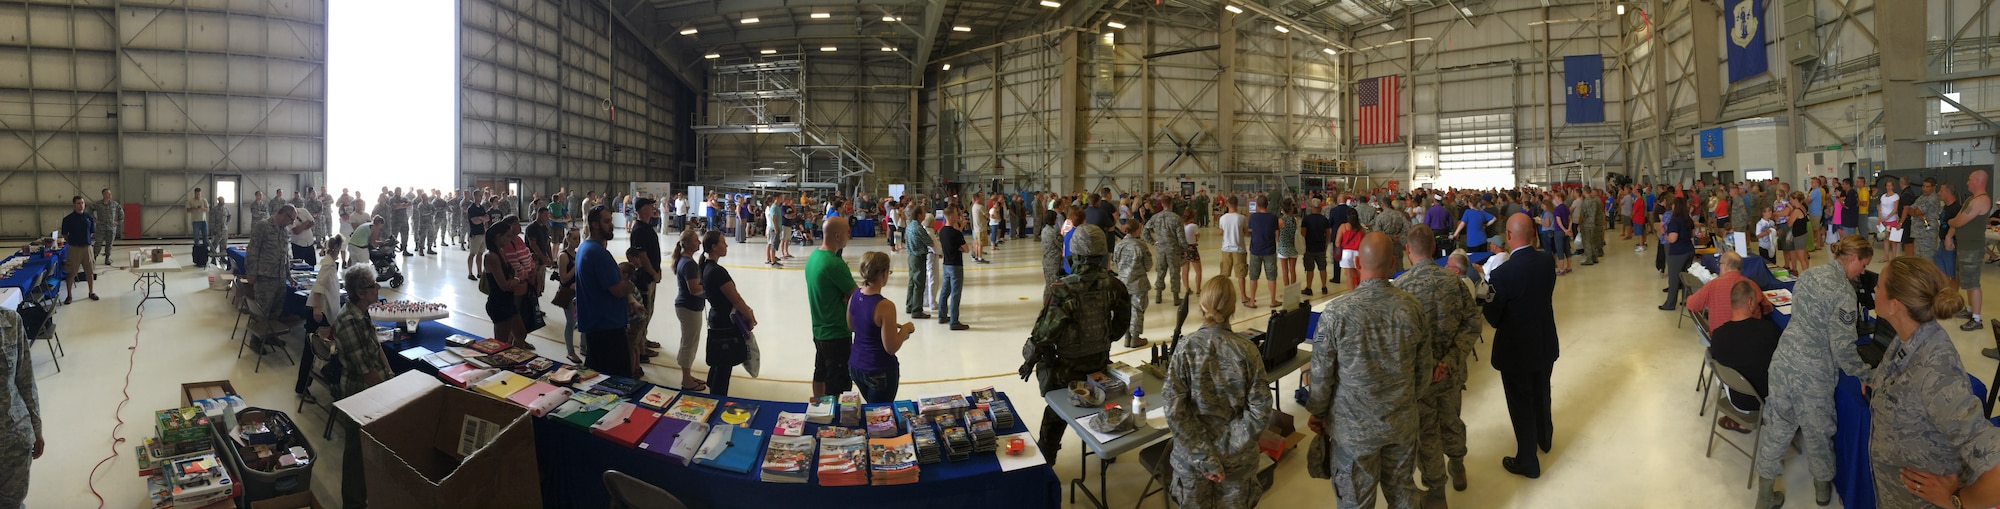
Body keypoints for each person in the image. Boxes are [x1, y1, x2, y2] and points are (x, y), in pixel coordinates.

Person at [1305, 232, 1430, 508]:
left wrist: (1318, 412)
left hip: (1353, 433)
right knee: (1403, 495)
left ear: (1358, 261)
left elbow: (1321, 375)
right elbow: (1423, 373)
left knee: (1355, 502)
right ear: (1394, 262)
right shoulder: (1412, 309)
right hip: (1400, 424)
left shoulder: (1337, 313)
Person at [1754, 235, 1876, 507]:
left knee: (1777, 428)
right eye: (1863, 265)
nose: (1863, 271)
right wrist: (1865, 374)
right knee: (1819, 433)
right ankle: (1822, 492)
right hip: (1813, 375)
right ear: (1853, 258)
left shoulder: (1809, 275)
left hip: (1783, 363)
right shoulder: (1844, 293)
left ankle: (1764, 497)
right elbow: (1843, 348)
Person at [1869, 256, 2000, 509]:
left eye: (1879, 286)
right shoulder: (1907, 336)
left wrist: (1959, 501)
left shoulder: (1936, 372)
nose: (1874, 289)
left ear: (1895, 305)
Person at [1162, 275, 1273, 509]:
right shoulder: (1248, 351)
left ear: (1202, 306)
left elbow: (1175, 410)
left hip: (1193, 464)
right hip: (1237, 463)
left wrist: (1205, 455)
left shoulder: (1185, 349)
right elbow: (1260, 410)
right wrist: (1227, 449)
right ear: (1234, 308)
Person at [1020, 223, 1128, 459]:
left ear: (1075, 254)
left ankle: (1047, 458)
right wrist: (1104, 337)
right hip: (1099, 365)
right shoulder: (1115, 286)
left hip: (1065, 371)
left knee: (1055, 414)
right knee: (1103, 405)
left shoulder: (1061, 289)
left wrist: (1030, 357)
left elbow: (1044, 335)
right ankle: (1109, 449)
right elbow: (1121, 325)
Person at [1393, 226, 1481, 499]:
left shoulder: (1400, 288)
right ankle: (1458, 466)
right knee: (1452, 421)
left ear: (1409, 251)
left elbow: (1397, 341)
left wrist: (1428, 366)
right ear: (1433, 249)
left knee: (1427, 434)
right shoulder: (1455, 282)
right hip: (1451, 375)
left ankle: (1436, 491)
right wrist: (1449, 361)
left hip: (1419, 382)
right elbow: (1473, 324)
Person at [1485, 213, 1560, 478]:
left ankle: (1527, 461)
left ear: (1508, 235)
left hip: (1516, 350)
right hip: (1543, 341)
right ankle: (1545, 438)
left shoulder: (1501, 274)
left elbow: (1493, 316)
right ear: (1532, 234)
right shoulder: (1546, 261)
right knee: (1542, 393)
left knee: (1521, 404)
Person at [1709, 280, 1780, 433]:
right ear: (1750, 302)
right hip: (1767, 398)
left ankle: (1738, 421)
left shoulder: (1718, 335)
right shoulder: (1768, 330)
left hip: (1736, 399)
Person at [848, 252, 914, 403]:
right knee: (881, 416)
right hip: (878, 369)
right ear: (884, 274)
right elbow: (890, 348)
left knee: (871, 409)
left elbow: (851, 325)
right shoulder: (885, 306)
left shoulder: (855, 294)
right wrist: (905, 329)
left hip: (856, 365)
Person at [699, 231, 758, 396]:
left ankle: (713, 388)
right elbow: (735, 299)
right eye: (723, 243)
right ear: (714, 247)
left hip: (717, 317)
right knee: (724, 365)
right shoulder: (717, 272)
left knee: (718, 361)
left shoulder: (707, 267)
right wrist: (749, 315)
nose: (726, 246)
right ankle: (718, 398)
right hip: (725, 321)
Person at [807, 219, 858, 398]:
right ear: (837, 236)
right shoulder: (835, 264)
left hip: (819, 329)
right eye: (847, 232)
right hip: (836, 333)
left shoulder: (814, 257)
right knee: (838, 384)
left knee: (820, 371)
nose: (849, 236)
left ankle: (819, 407)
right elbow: (857, 296)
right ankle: (834, 417)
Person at [296, 234, 344, 406]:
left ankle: (305, 385)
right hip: (319, 312)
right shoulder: (328, 265)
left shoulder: (329, 263)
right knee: (311, 350)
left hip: (322, 310)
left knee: (313, 349)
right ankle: (302, 387)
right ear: (337, 248)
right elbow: (319, 287)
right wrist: (317, 308)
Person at [1685, 252, 1773, 333]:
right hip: (1749, 337)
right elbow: (1767, 309)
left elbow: (1691, 305)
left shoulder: (1712, 285)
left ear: (1724, 266)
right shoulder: (1751, 284)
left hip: (1719, 340)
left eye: (1719, 264)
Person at [1948, 170, 1991, 331]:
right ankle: (1970, 310)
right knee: (1965, 281)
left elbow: (1958, 221)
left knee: (1973, 284)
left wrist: (1950, 221)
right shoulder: (1970, 200)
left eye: (1969, 180)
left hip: (1973, 249)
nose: (1967, 182)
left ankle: (1977, 319)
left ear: (1978, 181)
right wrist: (1949, 236)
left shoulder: (1981, 201)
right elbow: (1958, 219)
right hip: (1964, 247)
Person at [482, 217, 531, 350]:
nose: (510, 239)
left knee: (520, 333)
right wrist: (517, 280)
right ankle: (498, 366)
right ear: (498, 237)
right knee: (501, 342)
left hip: (508, 301)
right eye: (507, 236)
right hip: (499, 303)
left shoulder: (501, 252)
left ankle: (514, 358)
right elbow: (504, 285)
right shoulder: (492, 256)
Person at [628, 198, 664, 358]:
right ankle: (640, 347)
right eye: (650, 205)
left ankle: (643, 339)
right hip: (644, 277)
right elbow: (641, 256)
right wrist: (653, 273)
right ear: (642, 209)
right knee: (644, 311)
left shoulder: (646, 227)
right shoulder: (639, 229)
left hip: (651, 275)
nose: (652, 207)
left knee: (649, 310)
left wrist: (658, 270)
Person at [1112, 219, 1153, 348]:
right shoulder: (1140, 245)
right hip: (1138, 283)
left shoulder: (1119, 245)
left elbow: (1114, 263)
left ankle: (1126, 336)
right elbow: (1148, 265)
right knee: (1137, 310)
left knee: (1126, 309)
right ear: (1136, 230)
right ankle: (1135, 338)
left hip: (1122, 282)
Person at [56, 196, 98, 304]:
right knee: (71, 272)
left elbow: (92, 232)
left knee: (90, 271)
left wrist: (85, 240)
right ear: (74, 205)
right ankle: (69, 295)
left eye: (83, 203)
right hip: (74, 249)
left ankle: (91, 292)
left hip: (87, 248)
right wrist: (74, 241)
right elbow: (65, 235)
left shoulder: (89, 217)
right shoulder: (68, 219)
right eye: (79, 203)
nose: (81, 205)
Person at [1657, 198, 1696, 311]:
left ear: (1676, 206)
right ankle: (1687, 300)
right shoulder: (1688, 219)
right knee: (1685, 277)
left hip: (1678, 252)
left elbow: (1673, 239)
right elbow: (1693, 234)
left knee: (1674, 279)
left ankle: (1670, 304)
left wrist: (1665, 234)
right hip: (1689, 250)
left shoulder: (1675, 220)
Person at [1145, 199, 1187, 304]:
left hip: (1160, 250)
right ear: (1171, 204)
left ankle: (1158, 296)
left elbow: (1144, 231)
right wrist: (1185, 249)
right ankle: (1176, 298)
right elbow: (1181, 238)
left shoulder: (1155, 217)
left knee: (1160, 272)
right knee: (1174, 273)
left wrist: (1153, 242)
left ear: (1162, 204)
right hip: (1173, 250)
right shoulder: (1176, 218)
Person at [937, 206, 970, 330]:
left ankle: (942, 315)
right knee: (956, 293)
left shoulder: (942, 231)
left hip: (946, 264)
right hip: (956, 265)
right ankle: (954, 321)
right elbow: (966, 249)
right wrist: (959, 247)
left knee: (945, 291)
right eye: (956, 214)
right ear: (951, 216)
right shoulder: (956, 233)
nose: (958, 216)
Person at [1245, 197, 1281, 308]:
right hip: (1269, 250)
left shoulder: (1253, 217)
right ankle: (1272, 300)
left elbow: (1249, 230)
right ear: (1267, 205)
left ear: (1257, 205)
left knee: (1253, 276)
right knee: (1271, 276)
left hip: (1255, 250)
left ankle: (1252, 301)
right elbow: (1277, 233)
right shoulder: (1273, 218)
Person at [1218, 197, 1249, 300]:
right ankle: (1243, 296)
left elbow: (1221, 232)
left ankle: (1224, 295)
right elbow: (1245, 231)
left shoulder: (1222, 218)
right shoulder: (1242, 218)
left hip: (1226, 249)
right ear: (1237, 205)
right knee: (1241, 274)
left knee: (1225, 274)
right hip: (1239, 249)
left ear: (1227, 204)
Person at [1301, 200, 1332, 296]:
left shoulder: (1306, 219)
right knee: (1322, 268)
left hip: (1309, 248)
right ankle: (1324, 287)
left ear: (1311, 207)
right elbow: (1328, 234)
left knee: (1309, 269)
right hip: (1321, 247)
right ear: (1320, 208)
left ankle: (1309, 288)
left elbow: (1303, 234)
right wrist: (1325, 243)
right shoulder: (1324, 220)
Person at [91, 189, 122, 266]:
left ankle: (107, 258)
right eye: (108, 193)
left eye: (110, 193)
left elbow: (121, 211)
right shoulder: (98, 204)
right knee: (98, 243)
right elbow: (88, 210)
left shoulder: (114, 204)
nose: (110, 195)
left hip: (111, 228)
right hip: (101, 227)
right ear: (104, 194)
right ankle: (94, 258)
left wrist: (118, 221)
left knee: (109, 244)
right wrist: (94, 220)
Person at [1337, 213, 1365, 293]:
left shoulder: (1343, 226)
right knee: (1359, 273)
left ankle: (1351, 293)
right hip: (1358, 253)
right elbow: (1364, 241)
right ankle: (1360, 291)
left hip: (1346, 252)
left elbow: (1337, 242)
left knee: (1349, 275)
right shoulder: (1361, 229)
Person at [466, 191, 490, 282]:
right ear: (475, 196)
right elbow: (474, 221)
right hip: (475, 234)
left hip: (482, 233)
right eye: (480, 195)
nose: (481, 197)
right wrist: (481, 218)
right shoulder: (471, 208)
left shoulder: (482, 207)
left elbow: (487, 218)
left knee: (480, 253)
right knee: (472, 254)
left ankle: (479, 272)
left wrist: (480, 218)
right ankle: (470, 273)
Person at [1182, 209, 1204, 296]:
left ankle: (1187, 288)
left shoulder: (1182, 225)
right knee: (1198, 271)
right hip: (1192, 248)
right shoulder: (1193, 226)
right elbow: (1197, 236)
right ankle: (1198, 289)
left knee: (1185, 270)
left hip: (1183, 249)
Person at [1040, 210, 1064, 284]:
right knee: (1055, 283)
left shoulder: (1044, 230)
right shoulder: (1054, 232)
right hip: (1054, 260)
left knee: (1048, 282)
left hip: (1046, 259)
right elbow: (1061, 243)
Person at [188, 187, 210, 258]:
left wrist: (203, 208)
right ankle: (197, 248)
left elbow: (207, 209)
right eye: (197, 194)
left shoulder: (204, 200)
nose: (198, 196)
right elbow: (188, 210)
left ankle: (205, 248)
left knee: (205, 235)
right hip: (195, 221)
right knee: (196, 236)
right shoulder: (191, 201)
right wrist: (195, 208)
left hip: (203, 221)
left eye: (199, 194)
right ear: (194, 194)